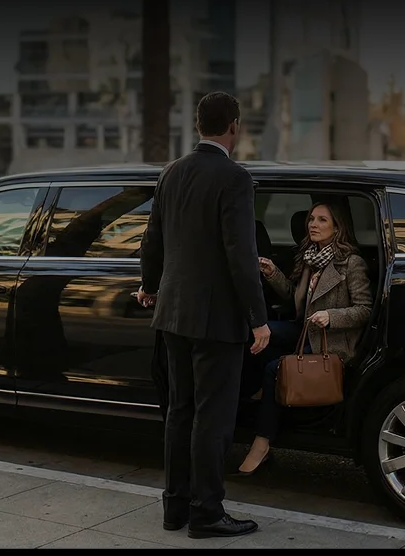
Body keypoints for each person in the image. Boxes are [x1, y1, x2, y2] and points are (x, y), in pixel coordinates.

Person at [135, 91, 267, 539]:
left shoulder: (171, 172)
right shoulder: (235, 179)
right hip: (216, 321)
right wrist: (259, 317)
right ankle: (207, 513)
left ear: (198, 126)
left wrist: (150, 287)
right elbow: (241, 256)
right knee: (212, 418)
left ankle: (175, 509)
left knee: (179, 412)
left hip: (173, 314)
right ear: (234, 126)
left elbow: (151, 241)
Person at [236, 201, 373, 475]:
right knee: (253, 334)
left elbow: (365, 309)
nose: (313, 224)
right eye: (311, 219)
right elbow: (293, 298)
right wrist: (272, 273)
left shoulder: (351, 263)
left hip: (330, 341)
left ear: (337, 228)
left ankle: (262, 444)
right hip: (304, 332)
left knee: (275, 370)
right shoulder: (310, 258)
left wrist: (331, 316)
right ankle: (249, 398)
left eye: (323, 220)